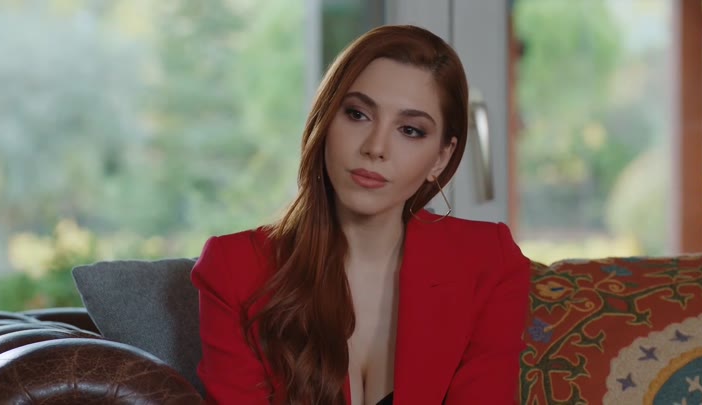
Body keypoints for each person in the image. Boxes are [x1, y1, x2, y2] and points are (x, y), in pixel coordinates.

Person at [191, 24, 530, 405]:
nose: (375, 147)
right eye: (357, 114)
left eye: (410, 130)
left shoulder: (489, 261)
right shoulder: (233, 270)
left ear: (441, 157)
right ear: (325, 119)